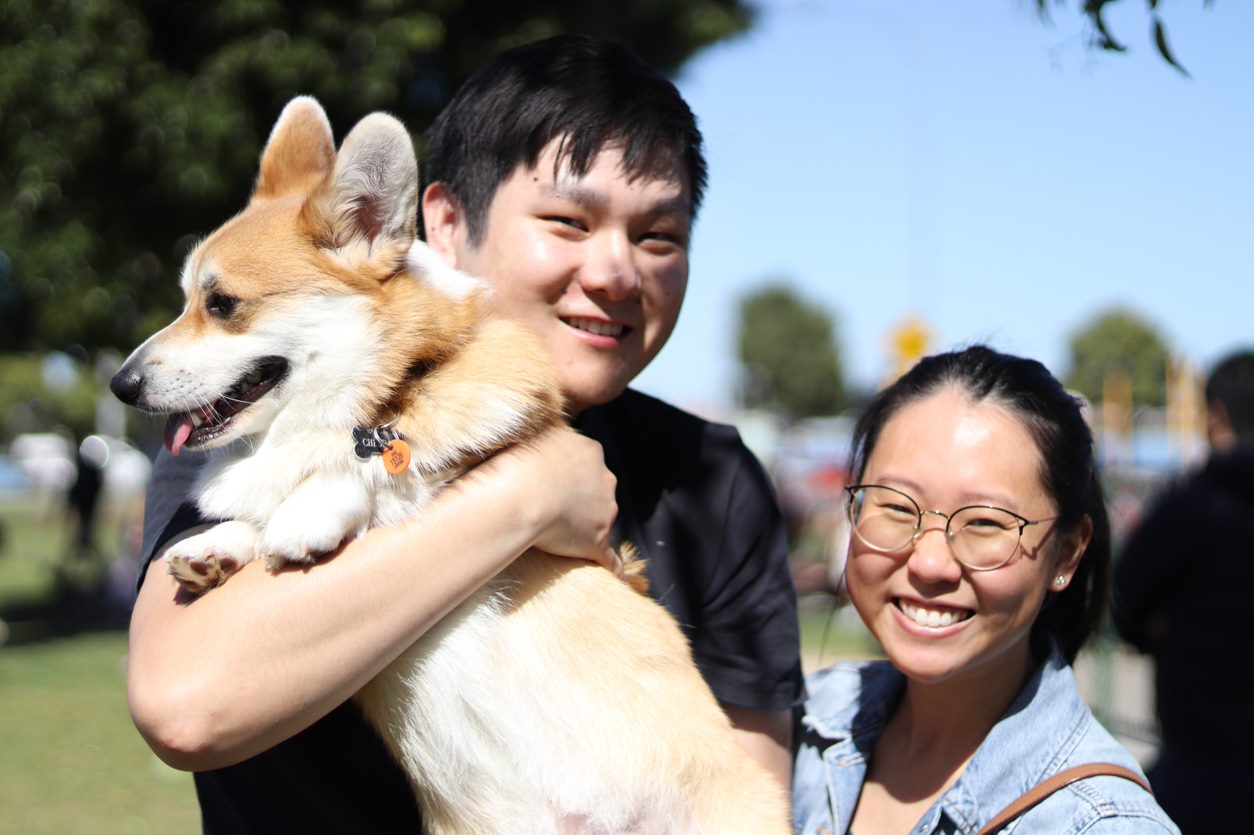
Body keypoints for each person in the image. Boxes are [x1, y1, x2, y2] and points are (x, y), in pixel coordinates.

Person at [129, 34, 802, 831]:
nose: (616, 273)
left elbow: (749, 783)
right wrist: (529, 495)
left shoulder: (713, 476)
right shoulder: (255, 421)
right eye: (568, 221)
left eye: (658, 236)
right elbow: (186, 707)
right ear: (442, 221)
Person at [792, 346, 1178, 834]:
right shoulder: (793, 727)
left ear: (1066, 554)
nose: (930, 563)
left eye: (983, 522)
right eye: (897, 507)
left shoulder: (1100, 824)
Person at [1113, 349, 1254, 832]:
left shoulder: (1190, 508)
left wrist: (1175, 630)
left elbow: (1123, 605)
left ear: (1216, 416)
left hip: (1201, 760)